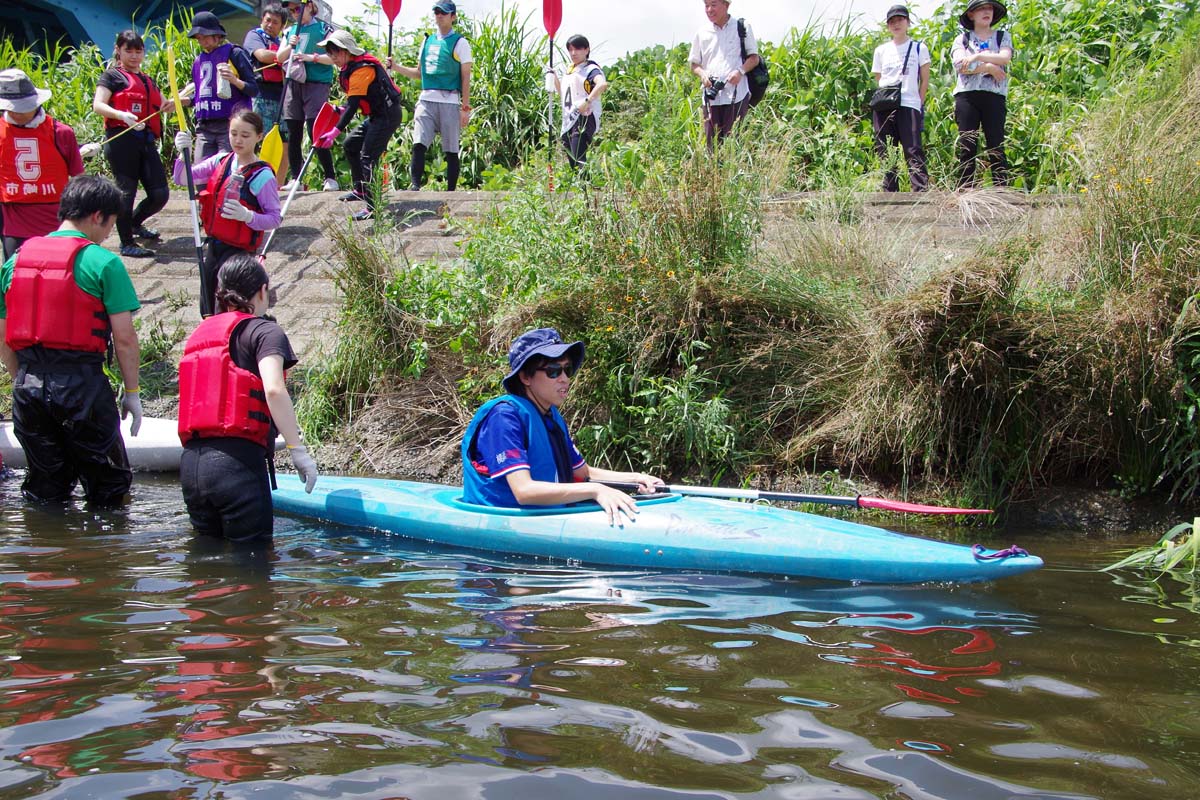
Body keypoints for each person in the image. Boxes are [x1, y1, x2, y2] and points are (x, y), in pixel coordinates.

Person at [0, 175, 143, 506]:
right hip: (82, 387)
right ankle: (104, 554)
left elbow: (4, 336)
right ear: (97, 216)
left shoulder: (15, 259)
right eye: (111, 224)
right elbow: (124, 339)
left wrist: (20, 377)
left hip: (28, 386)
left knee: (45, 488)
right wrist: (132, 393)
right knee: (109, 489)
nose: (109, 234)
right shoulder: (104, 263)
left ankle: (44, 552)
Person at [178, 254, 318, 543]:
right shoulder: (265, 331)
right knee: (252, 565)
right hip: (236, 467)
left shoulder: (199, 334)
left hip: (191, 468)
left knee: (206, 564)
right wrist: (297, 450)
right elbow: (274, 389)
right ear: (262, 291)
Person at [462, 328, 664, 524]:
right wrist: (597, 490)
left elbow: (583, 473)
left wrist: (636, 478)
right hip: (508, 522)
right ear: (525, 377)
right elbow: (524, 491)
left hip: (548, 516)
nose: (565, 379)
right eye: (553, 371)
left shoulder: (550, 416)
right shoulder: (504, 417)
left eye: (567, 370)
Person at [173, 110, 282, 318]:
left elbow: (274, 218)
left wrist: (247, 216)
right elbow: (182, 178)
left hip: (239, 253)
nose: (238, 140)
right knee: (207, 303)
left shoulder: (262, 176)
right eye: (233, 134)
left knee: (227, 303)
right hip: (215, 246)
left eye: (245, 135)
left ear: (259, 137)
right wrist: (182, 153)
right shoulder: (221, 160)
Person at [92, 29, 174, 260]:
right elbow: (98, 105)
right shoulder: (112, 76)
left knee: (160, 194)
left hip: (145, 141)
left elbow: (163, 103)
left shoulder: (148, 79)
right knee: (126, 193)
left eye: (139, 51)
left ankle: (135, 224)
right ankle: (126, 242)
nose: (134, 56)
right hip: (121, 141)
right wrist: (120, 114)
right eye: (129, 51)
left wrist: (171, 105)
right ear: (119, 51)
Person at [315, 31, 403, 221]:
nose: (333, 57)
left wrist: (334, 131)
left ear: (347, 51)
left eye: (335, 52)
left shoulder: (362, 70)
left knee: (368, 157)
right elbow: (353, 102)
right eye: (330, 53)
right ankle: (360, 190)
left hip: (387, 115)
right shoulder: (350, 67)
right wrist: (340, 109)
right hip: (375, 115)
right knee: (350, 145)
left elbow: (354, 105)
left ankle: (373, 207)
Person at [387, 1, 473, 192]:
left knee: (451, 149)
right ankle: (415, 185)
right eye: (436, 12)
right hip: (426, 99)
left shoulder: (460, 42)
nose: (439, 15)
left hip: (450, 100)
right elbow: (419, 73)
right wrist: (396, 67)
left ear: (453, 17)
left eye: (444, 12)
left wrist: (465, 108)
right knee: (419, 142)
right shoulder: (427, 41)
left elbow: (466, 77)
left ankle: (451, 191)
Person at [0, 69, 85, 260]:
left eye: (23, 107)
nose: (18, 113)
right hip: (14, 220)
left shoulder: (61, 133)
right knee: (15, 278)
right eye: (12, 108)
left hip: (55, 219)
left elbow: (79, 179)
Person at [275, 0, 340, 192]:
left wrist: (313, 57)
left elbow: (335, 59)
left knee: (316, 128)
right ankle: (296, 178)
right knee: (294, 129)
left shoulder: (323, 28)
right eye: (292, 10)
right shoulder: (289, 32)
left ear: (310, 6)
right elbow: (279, 58)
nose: (295, 13)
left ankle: (330, 177)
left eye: (298, 8)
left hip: (317, 83)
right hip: (293, 81)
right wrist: (290, 46)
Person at [179, 11, 259, 162]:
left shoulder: (234, 53)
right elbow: (200, 97)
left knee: (224, 171)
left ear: (217, 35)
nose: (203, 41)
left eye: (206, 36)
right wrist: (185, 101)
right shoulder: (198, 61)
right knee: (201, 175)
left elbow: (253, 89)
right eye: (199, 38)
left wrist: (235, 81)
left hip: (229, 125)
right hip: (204, 127)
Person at [951, 0, 1014, 188]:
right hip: (967, 96)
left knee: (996, 143)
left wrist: (977, 56)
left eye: (989, 9)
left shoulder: (1002, 36)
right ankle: (965, 190)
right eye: (981, 9)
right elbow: (960, 65)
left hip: (994, 95)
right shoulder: (962, 39)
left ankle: (1001, 190)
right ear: (971, 15)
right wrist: (988, 66)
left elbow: (1004, 58)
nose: (987, 12)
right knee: (967, 144)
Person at [870, 6, 931, 192]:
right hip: (883, 105)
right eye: (892, 21)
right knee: (886, 150)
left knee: (912, 148)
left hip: (909, 103)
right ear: (888, 26)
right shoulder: (881, 50)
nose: (896, 24)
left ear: (908, 22)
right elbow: (879, 78)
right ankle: (889, 192)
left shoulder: (919, 47)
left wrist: (919, 102)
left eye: (900, 20)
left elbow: (924, 79)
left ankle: (920, 190)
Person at [688, 0, 761, 149]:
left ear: (726, 5)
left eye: (713, 5)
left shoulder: (741, 27)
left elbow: (754, 58)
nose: (709, 10)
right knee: (712, 147)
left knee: (734, 146)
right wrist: (703, 74)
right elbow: (694, 64)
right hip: (711, 99)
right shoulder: (702, 33)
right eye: (706, 5)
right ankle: (714, 173)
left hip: (737, 95)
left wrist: (740, 72)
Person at [244, 4, 291, 182]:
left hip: (282, 98)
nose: (270, 25)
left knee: (284, 144)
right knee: (253, 140)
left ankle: (277, 185)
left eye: (275, 22)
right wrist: (284, 55)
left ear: (281, 26)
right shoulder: (255, 36)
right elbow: (262, 55)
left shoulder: (283, 42)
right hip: (260, 96)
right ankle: (249, 181)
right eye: (268, 20)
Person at [549, 34, 609, 172]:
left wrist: (587, 102)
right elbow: (563, 94)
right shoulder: (570, 71)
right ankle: (582, 190)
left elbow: (602, 84)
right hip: (569, 119)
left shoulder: (590, 69)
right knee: (573, 162)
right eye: (570, 49)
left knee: (578, 158)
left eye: (577, 49)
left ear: (586, 50)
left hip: (584, 117)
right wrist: (553, 77)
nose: (573, 53)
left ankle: (586, 190)